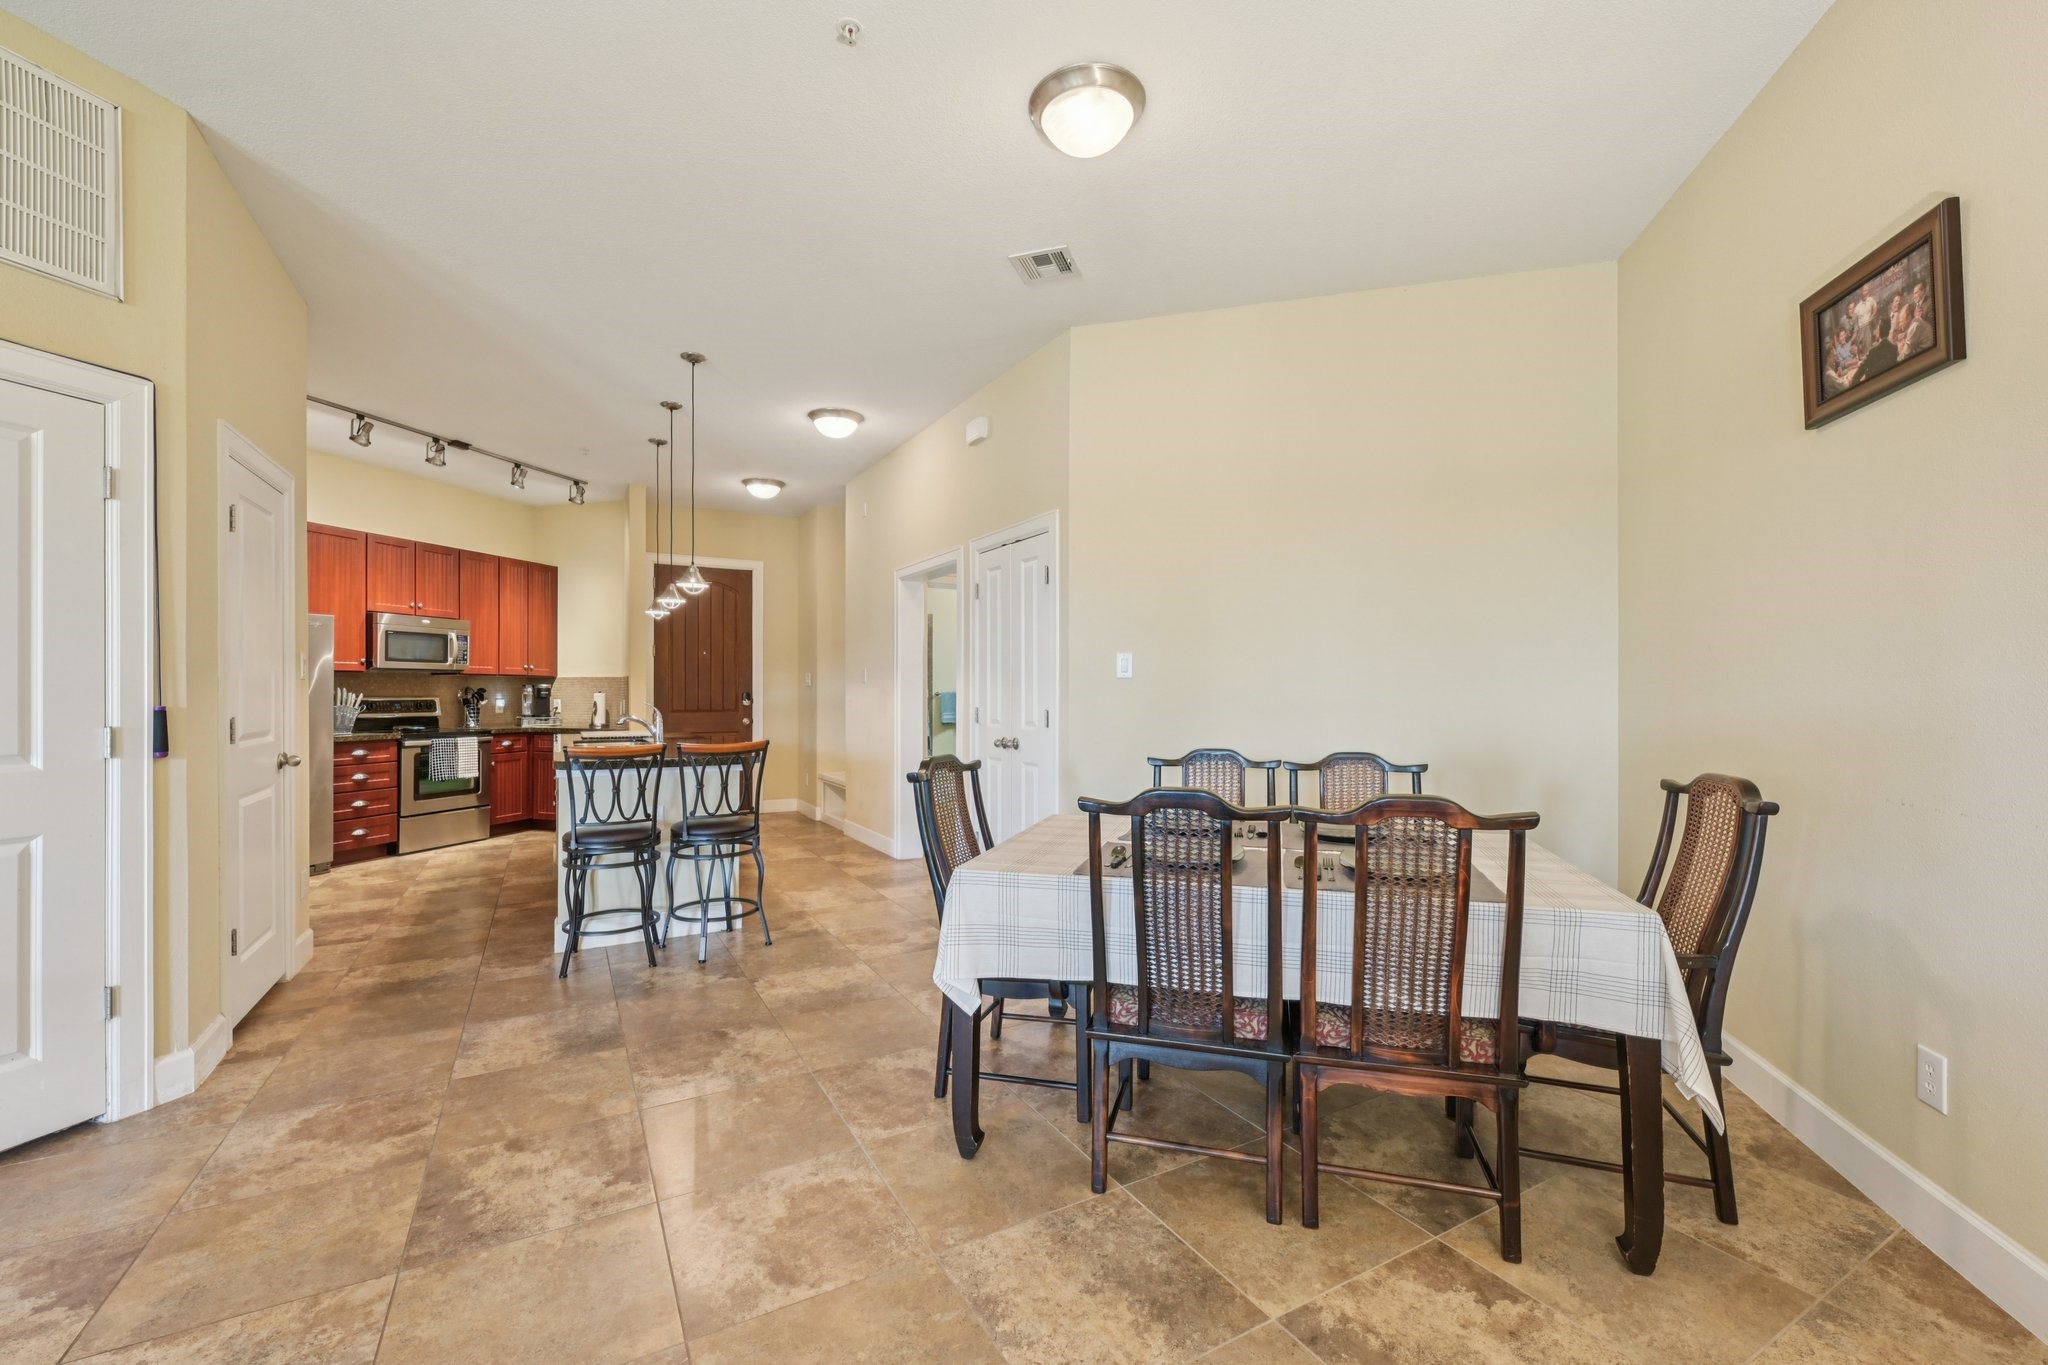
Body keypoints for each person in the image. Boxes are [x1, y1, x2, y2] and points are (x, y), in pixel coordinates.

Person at [1824, 326, 1862, 395]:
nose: (1843, 337)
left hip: (1854, 367)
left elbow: (1855, 356)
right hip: (1848, 372)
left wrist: (1856, 353)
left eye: (1844, 334)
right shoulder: (1838, 351)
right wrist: (1851, 363)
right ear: (1838, 338)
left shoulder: (1849, 345)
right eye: (1841, 336)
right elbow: (1841, 365)